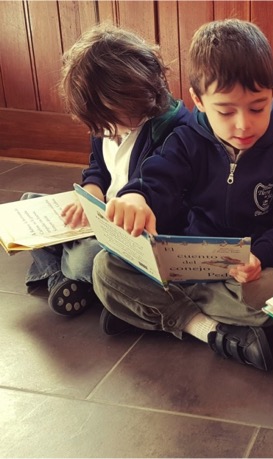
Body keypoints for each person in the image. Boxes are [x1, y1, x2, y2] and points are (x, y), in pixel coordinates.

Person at [91, 19, 273, 372]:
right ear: (198, 100)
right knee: (106, 268)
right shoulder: (185, 140)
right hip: (189, 265)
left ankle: (157, 313)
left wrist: (260, 254)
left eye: (257, 107)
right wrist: (137, 197)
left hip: (251, 275)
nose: (243, 124)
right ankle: (208, 329)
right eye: (226, 111)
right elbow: (157, 178)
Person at [24, 23, 190, 317]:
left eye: (109, 119)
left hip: (134, 233)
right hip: (101, 214)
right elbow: (97, 166)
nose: (103, 132)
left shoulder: (172, 130)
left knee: (85, 261)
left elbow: (158, 188)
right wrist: (90, 190)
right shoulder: (106, 123)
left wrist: (122, 208)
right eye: (98, 125)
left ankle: (65, 275)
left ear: (135, 95)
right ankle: (61, 277)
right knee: (28, 205)